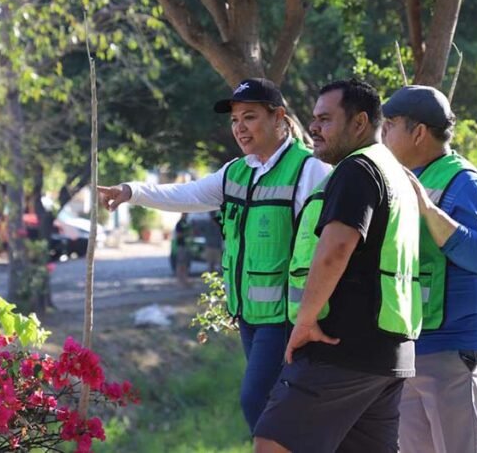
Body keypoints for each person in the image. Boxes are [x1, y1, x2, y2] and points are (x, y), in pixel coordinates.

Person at [98, 78, 331, 432]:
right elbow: (186, 194)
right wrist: (131, 191)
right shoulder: (236, 172)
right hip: (247, 316)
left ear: (278, 117)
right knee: (274, 403)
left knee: (256, 400)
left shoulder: (309, 169)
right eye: (235, 120)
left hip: (286, 317)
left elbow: (331, 243)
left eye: (249, 117)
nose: (240, 128)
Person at [254, 79, 422, 453]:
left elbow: (335, 250)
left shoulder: (357, 170)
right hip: (387, 350)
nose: (313, 127)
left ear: (359, 122)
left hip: (340, 345)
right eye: (314, 119)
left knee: (273, 442)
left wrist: (304, 321)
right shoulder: (392, 171)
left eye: (325, 119)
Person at [380, 85, 477, 453]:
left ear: (418, 132)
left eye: (390, 125)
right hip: (411, 343)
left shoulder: (465, 182)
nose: (382, 134)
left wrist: (429, 211)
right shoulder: (396, 179)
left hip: (456, 347)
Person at [172, 214, 192, 286]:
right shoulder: (179, 223)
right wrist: (186, 233)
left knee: (185, 264)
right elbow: (179, 234)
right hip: (181, 246)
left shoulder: (186, 222)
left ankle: (185, 279)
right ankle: (179, 280)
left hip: (186, 245)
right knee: (180, 263)